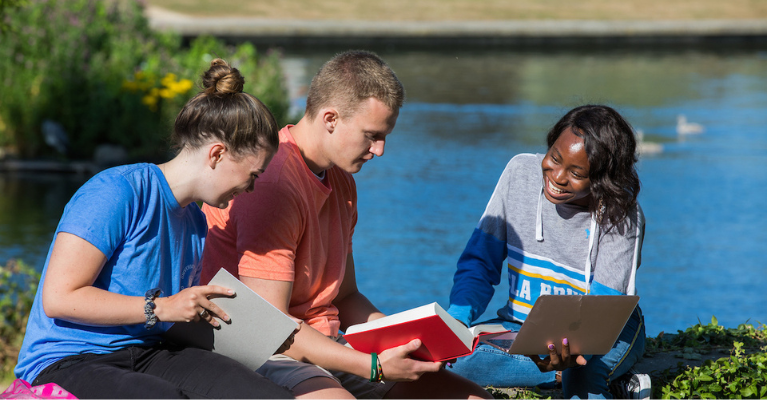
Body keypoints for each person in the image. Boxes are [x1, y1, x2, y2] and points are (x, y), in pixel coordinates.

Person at [201, 50, 492, 399]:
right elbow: (269, 329)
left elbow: (346, 296)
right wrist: (375, 366)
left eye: (384, 136)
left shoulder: (342, 180)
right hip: (262, 350)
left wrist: (411, 342)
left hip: (326, 345)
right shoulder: (274, 183)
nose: (380, 150)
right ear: (330, 119)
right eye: (372, 135)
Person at [14, 59, 294, 399]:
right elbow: (58, 299)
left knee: (268, 396)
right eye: (253, 176)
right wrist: (161, 307)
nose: (250, 189)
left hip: (149, 352)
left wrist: (255, 334)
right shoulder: (116, 192)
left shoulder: (195, 220)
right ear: (217, 154)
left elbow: (171, 319)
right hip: (69, 358)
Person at [446, 105, 648, 399]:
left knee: (580, 378)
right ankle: (561, 375)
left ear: (602, 180)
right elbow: (478, 263)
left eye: (577, 173)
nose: (558, 176)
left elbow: (604, 310)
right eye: (554, 158)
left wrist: (573, 356)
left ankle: (575, 376)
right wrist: (456, 321)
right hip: (520, 324)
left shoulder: (621, 217)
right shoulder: (519, 174)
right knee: (447, 360)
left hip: (606, 332)